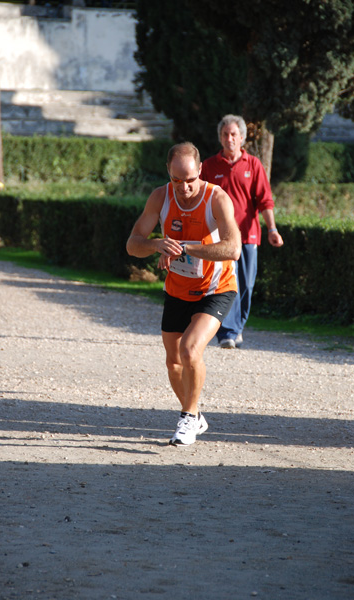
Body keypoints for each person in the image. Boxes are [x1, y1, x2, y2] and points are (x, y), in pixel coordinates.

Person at [126, 142, 241, 446]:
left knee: (191, 350)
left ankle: (188, 418)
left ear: (200, 171)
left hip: (216, 288)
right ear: (169, 173)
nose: (185, 187)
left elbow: (233, 248)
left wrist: (186, 249)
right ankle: (196, 415)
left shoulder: (216, 199)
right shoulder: (160, 197)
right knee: (173, 362)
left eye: (190, 180)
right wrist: (156, 245)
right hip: (177, 289)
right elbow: (133, 243)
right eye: (178, 180)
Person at [201, 114, 284, 349]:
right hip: (221, 239)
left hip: (249, 236)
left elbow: (265, 200)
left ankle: (238, 327)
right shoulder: (208, 166)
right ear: (220, 137)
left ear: (242, 138)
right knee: (228, 283)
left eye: (234, 134)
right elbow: (201, 200)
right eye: (225, 134)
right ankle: (227, 331)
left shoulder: (253, 165)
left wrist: (272, 229)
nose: (229, 138)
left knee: (247, 285)